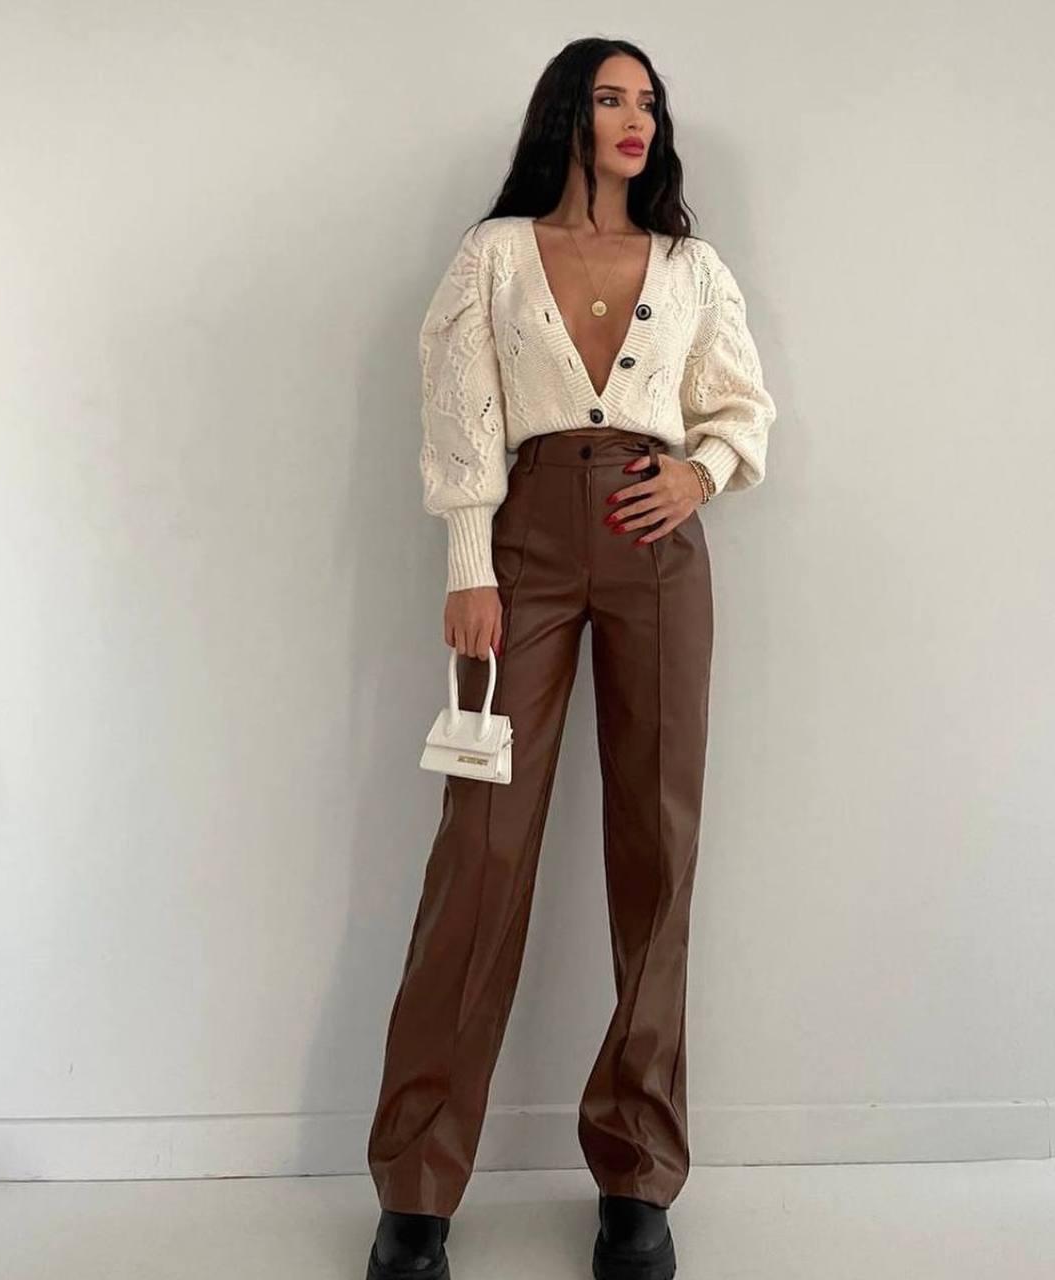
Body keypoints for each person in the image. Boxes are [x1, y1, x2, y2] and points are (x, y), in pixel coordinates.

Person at [366, 34, 777, 1280]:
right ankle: (418, 1187)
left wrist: (701, 472)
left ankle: (638, 1176)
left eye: (647, 101)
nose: (634, 118)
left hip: (656, 546)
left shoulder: (691, 266)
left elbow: (742, 404)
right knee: (481, 851)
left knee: (658, 849)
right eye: (609, 98)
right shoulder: (495, 254)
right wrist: (469, 563)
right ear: (568, 115)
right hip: (526, 540)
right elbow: (459, 410)